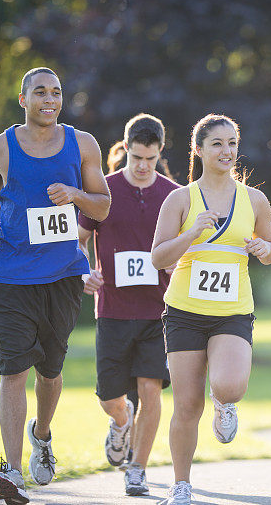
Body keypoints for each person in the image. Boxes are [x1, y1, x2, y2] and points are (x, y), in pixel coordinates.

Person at [0, 67, 111, 504]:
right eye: (40, 92)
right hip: (11, 274)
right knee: (14, 368)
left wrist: (75, 196)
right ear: (23, 99)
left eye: (56, 92)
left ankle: (43, 434)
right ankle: (12, 473)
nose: (50, 99)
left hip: (62, 275)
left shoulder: (82, 143)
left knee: (50, 371)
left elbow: (104, 206)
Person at [150, 114, 271, 505]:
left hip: (232, 310)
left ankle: (225, 405)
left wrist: (264, 249)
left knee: (230, 385)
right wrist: (191, 234)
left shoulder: (254, 199)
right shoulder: (180, 198)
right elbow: (157, 257)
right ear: (200, 149)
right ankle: (181, 485)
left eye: (232, 143)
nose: (227, 151)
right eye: (217, 144)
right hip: (185, 311)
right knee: (187, 405)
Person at [77, 113, 180, 496]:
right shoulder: (103, 190)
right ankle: (121, 423)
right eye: (136, 157)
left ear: (159, 153)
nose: (142, 166)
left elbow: (187, 250)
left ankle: (137, 468)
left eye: (150, 159)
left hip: (158, 312)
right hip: (113, 311)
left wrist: (174, 261)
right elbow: (79, 240)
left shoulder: (173, 193)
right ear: (126, 149)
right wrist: (83, 271)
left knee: (151, 390)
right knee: (109, 398)